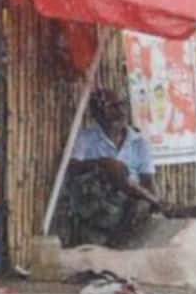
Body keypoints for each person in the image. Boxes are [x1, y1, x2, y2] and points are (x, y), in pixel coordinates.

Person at [62, 89, 163, 249]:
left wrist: (154, 203)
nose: (120, 111)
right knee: (112, 172)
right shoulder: (86, 138)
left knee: (138, 202)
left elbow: (148, 181)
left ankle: (118, 242)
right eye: (112, 107)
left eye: (122, 105)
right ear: (97, 114)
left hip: (130, 204)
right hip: (99, 204)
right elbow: (71, 167)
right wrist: (102, 164)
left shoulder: (139, 142)